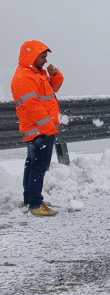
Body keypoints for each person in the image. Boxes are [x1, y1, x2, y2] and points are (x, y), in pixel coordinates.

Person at [11, 40, 64, 217]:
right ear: (31, 56)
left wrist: (55, 75)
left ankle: (31, 198)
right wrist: (49, 128)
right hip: (40, 130)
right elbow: (33, 108)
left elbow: (53, 90)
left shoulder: (37, 74)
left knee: (32, 165)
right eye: (42, 56)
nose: (45, 60)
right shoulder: (25, 77)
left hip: (40, 130)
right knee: (38, 168)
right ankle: (35, 204)